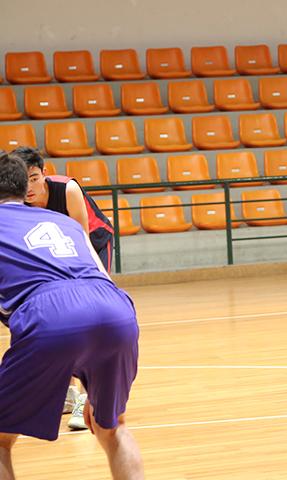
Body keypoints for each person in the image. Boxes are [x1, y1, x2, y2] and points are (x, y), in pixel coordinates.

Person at [0, 153, 143, 479]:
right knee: (112, 428)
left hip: (50, 314)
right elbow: (101, 272)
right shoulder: (63, 221)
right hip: (116, 310)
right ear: (24, 189)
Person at [7, 146, 115, 431]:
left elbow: (81, 240)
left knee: (84, 313)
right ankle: (68, 393)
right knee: (61, 316)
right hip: (53, 257)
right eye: (24, 180)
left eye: (34, 178)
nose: (29, 187)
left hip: (91, 244)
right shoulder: (18, 202)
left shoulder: (67, 190)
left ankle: (88, 397)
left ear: (44, 173)